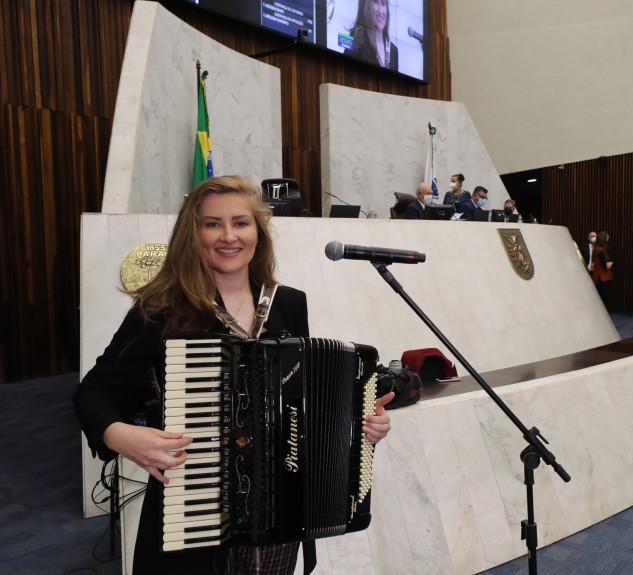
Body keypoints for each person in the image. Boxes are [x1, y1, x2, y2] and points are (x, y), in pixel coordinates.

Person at [72, 175, 394, 575]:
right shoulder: (161, 309)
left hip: (280, 507)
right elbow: (92, 394)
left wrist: (360, 423)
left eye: (241, 223)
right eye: (212, 223)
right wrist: (117, 434)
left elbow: (306, 397)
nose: (229, 236)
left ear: (258, 232)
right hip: (196, 505)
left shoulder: (289, 303)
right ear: (193, 233)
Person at [346, 0, 399, 71]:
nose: (380, 11)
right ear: (366, 6)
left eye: (383, 4)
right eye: (375, 2)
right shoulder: (356, 38)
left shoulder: (393, 50)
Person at [591, 231, 613, 306]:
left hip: (599, 277)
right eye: (607, 239)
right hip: (601, 278)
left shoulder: (597, 249)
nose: (608, 240)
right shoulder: (600, 251)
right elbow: (605, 265)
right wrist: (610, 263)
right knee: (603, 299)